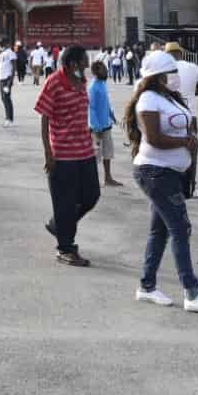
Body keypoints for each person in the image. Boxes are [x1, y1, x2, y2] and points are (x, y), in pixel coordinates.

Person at [124, 50, 198, 313]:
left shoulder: (170, 97)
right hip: (154, 172)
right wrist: (183, 142)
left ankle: (146, 286)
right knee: (181, 227)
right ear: (157, 77)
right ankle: (192, 292)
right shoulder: (147, 99)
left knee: (160, 231)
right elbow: (154, 137)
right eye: (171, 73)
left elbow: (187, 125)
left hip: (172, 172)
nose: (176, 76)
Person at [36, 45, 103, 267]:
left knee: (91, 195)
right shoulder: (54, 81)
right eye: (84, 60)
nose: (87, 64)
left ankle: (59, 225)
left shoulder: (82, 81)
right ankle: (65, 248)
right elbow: (44, 116)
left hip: (84, 150)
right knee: (64, 202)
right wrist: (48, 152)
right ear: (73, 63)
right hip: (63, 154)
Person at [168, 42, 198, 199]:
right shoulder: (193, 67)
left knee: (170, 150)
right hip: (191, 115)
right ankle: (191, 187)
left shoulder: (165, 69)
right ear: (181, 53)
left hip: (170, 115)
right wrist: (188, 93)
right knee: (191, 151)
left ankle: (171, 185)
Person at [89, 57, 122, 187]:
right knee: (95, 155)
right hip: (97, 128)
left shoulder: (102, 84)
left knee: (108, 153)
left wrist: (112, 115)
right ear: (97, 72)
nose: (107, 72)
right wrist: (96, 127)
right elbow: (91, 108)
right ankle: (92, 181)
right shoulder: (93, 87)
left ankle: (108, 178)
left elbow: (106, 103)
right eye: (104, 70)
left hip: (106, 125)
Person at [0, 38, 17, 127]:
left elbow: (13, 67)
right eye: (0, 44)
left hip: (7, 79)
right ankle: (7, 118)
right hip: (1, 79)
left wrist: (10, 81)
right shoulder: (2, 53)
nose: (0, 46)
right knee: (3, 99)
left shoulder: (10, 53)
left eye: (2, 44)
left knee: (7, 98)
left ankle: (10, 119)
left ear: (6, 44)